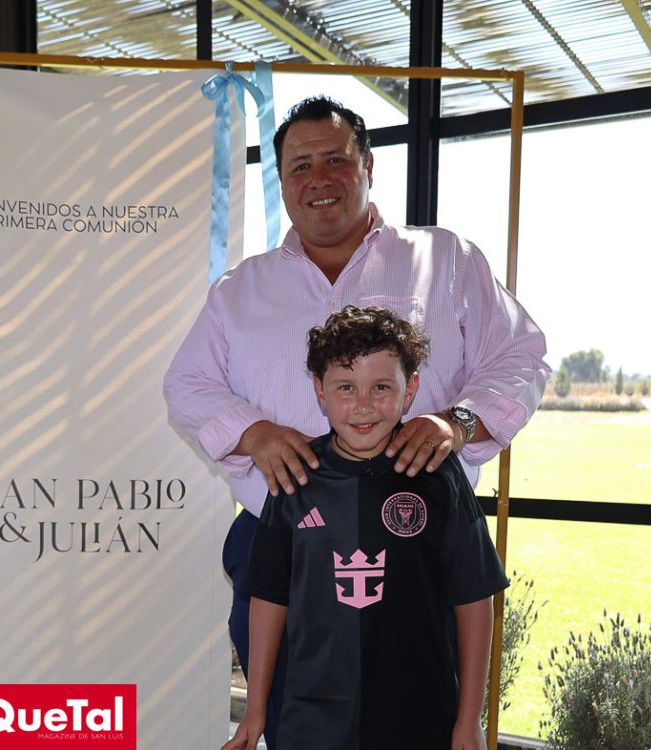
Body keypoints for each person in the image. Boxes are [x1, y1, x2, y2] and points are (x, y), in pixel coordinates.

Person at [163, 95, 549, 746]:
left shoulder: (446, 259)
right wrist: (254, 432)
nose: (319, 178)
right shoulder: (240, 290)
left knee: (417, 722)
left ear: (369, 166)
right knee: (293, 725)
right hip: (282, 544)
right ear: (282, 181)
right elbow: (187, 384)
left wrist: (458, 421)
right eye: (300, 165)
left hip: (417, 544)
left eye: (335, 159)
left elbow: (521, 355)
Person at [223, 305, 506, 750]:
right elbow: (269, 599)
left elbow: (473, 599)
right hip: (312, 722)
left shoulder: (438, 475)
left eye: (381, 387)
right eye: (345, 387)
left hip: (419, 718)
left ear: (410, 389)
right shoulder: (296, 475)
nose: (362, 405)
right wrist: (255, 710)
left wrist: (469, 721)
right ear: (320, 390)